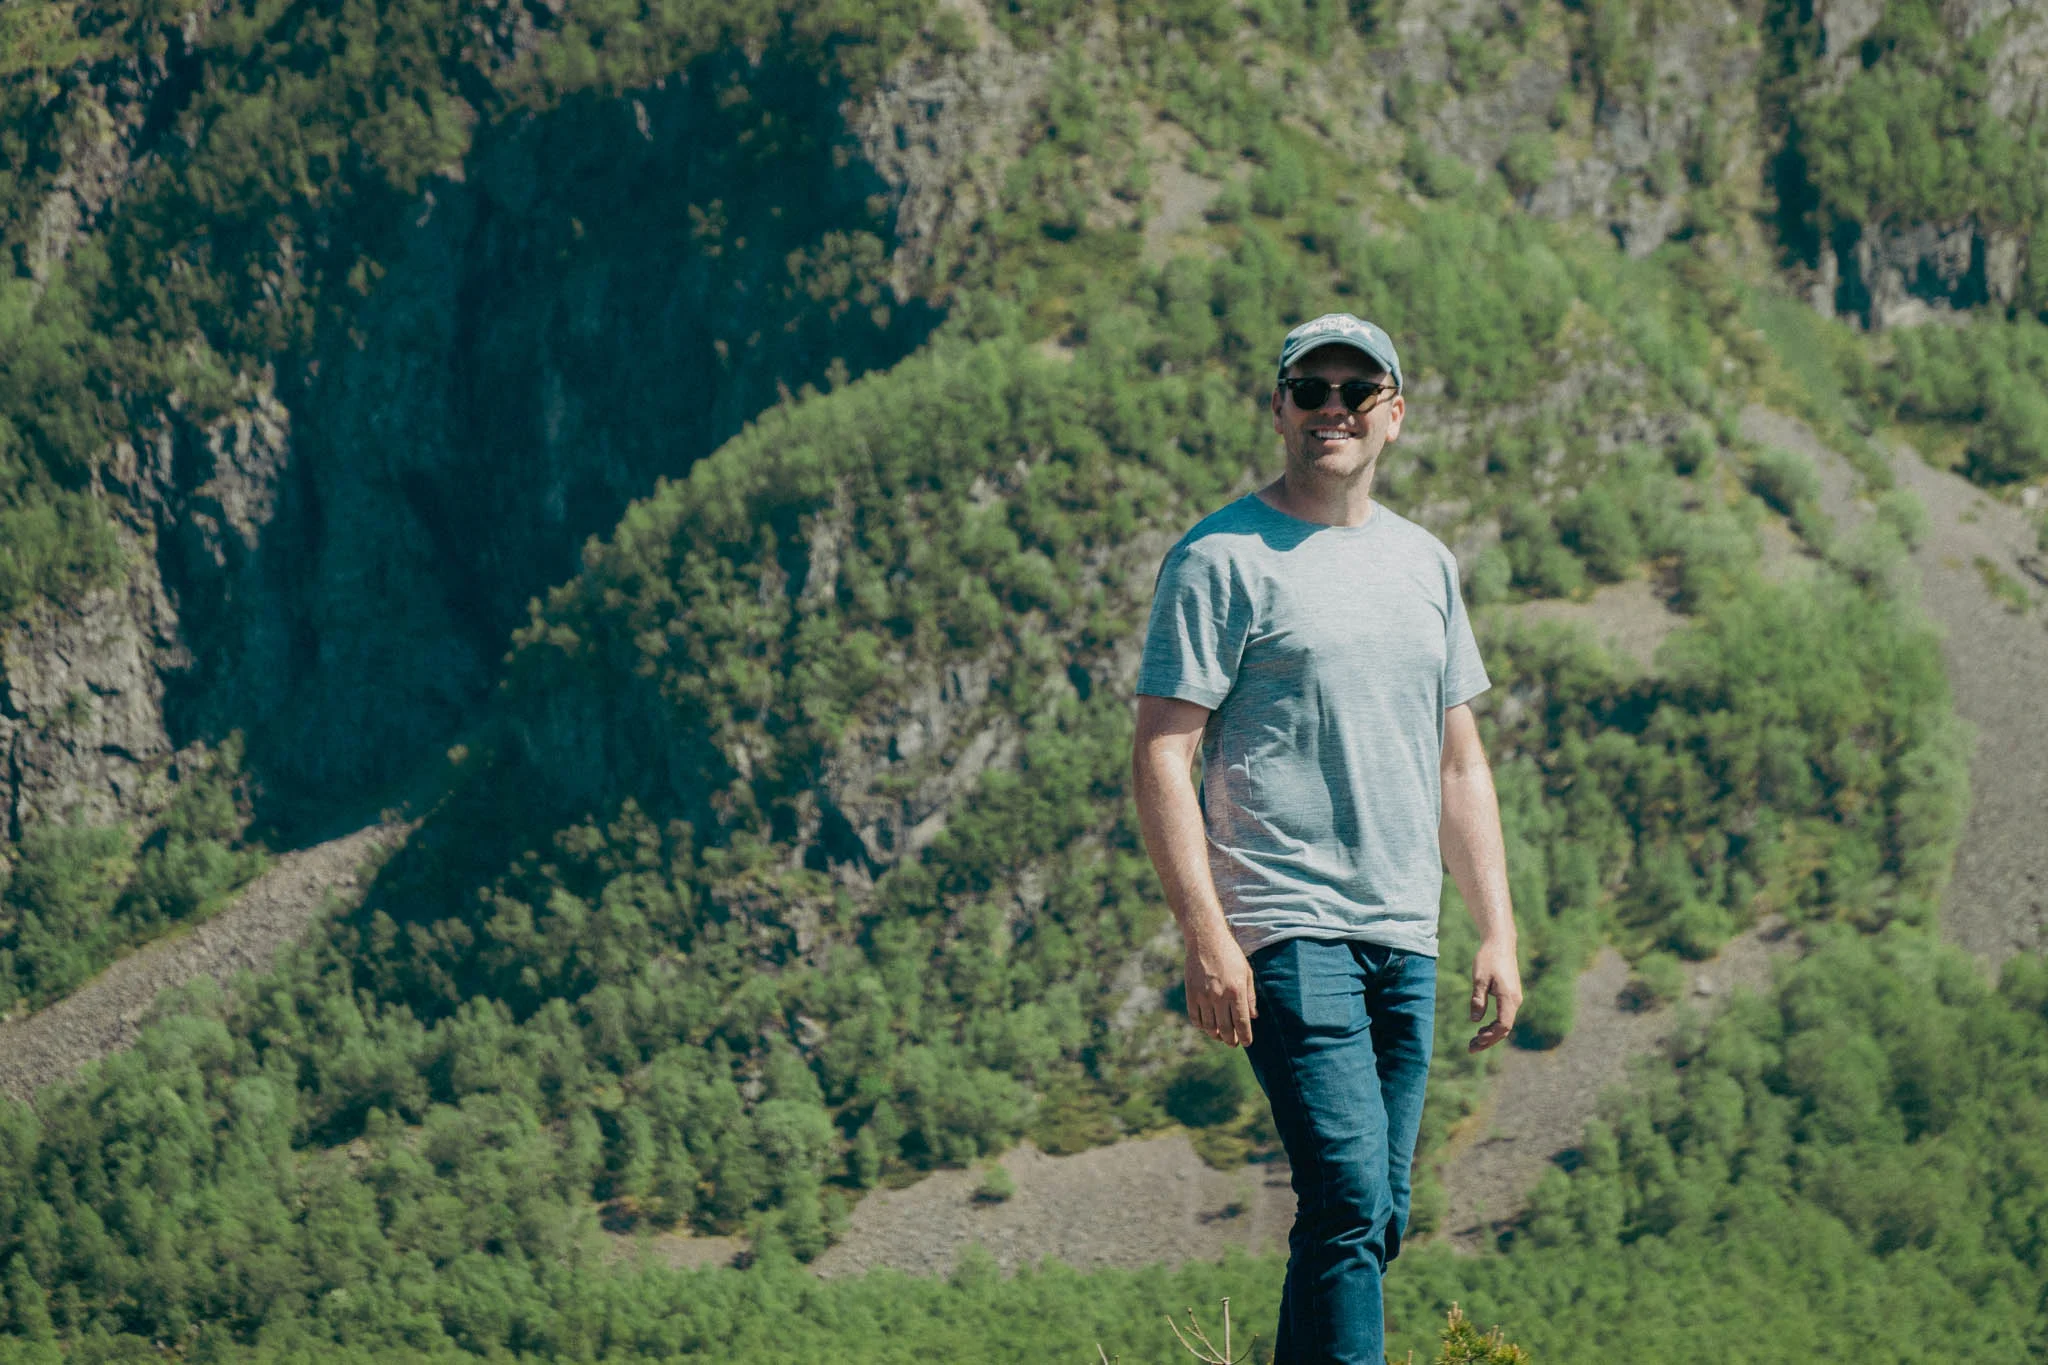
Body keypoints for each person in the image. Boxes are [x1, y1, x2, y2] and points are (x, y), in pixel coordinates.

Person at [1130, 313, 1521, 1365]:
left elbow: (1458, 763)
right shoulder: (1218, 558)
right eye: (1309, 388)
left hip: (1404, 930)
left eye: (1355, 389)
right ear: (1280, 409)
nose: (1331, 407)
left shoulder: (1425, 565)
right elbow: (1162, 752)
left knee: (1370, 1212)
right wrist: (1204, 933)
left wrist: (1495, 931)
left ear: (1393, 414)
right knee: (1347, 1193)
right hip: (1284, 923)